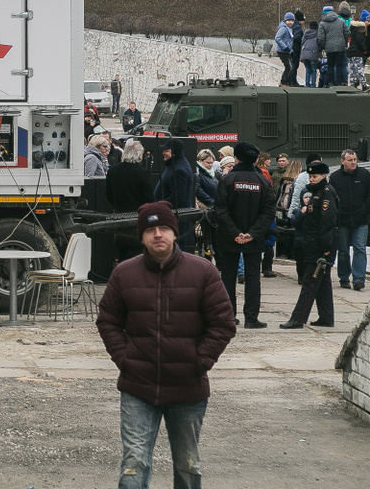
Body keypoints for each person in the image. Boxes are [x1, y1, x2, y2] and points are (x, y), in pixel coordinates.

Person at [96, 201, 236, 489]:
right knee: (134, 465)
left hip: (188, 388)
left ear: (175, 232)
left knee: (188, 466)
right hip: (138, 388)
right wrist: (125, 359)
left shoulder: (202, 272)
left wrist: (199, 362)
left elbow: (223, 324)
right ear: (141, 237)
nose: (157, 234)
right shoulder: (124, 273)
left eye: (163, 228)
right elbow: (107, 321)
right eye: (150, 230)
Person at [212, 142, 275, 328]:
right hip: (254, 237)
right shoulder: (263, 181)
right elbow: (268, 211)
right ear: (256, 160)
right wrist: (252, 233)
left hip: (229, 236)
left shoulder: (227, 180)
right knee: (253, 276)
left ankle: (228, 316)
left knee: (228, 276)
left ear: (236, 158)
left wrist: (234, 232)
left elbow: (220, 210)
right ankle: (251, 317)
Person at [281, 162, 339, 329]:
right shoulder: (316, 192)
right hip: (313, 242)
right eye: (310, 176)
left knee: (310, 282)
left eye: (315, 177)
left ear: (323, 176)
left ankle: (297, 319)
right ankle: (326, 317)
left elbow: (328, 223)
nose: (311, 179)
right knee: (324, 282)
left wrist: (326, 248)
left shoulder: (326, 194)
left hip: (319, 245)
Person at [328, 148, 370, 291]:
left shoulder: (365, 175)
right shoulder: (335, 177)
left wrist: (366, 210)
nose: (353, 162)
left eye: (355, 160)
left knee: (359, 248)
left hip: (361, 219)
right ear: (342, 161)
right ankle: (344, 277)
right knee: (343, 250)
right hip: (342, 219)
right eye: (350, 160)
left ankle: (358, 279)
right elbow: (332, 199)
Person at [154, 139, 196, 252]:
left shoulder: (179, 170)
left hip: (176, 221)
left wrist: (158, 207)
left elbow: (177, 199)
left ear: (174, 152)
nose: (163, 152)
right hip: (173, 219)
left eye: (166, 150)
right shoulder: (174, 165)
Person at [105, 139, 154, 213]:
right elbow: (148, 197)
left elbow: (108, 193)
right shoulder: (142, 172)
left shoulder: (112, 170)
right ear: (139, 155)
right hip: (137, 213)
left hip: (118, 212)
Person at [319, 4, 348, 86]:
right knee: (339, 65)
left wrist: (324, 46)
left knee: (330, 65)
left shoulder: (322, 23)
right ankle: (340, 82)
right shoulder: (341, 21)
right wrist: (344, 43)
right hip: (341, 47)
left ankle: (330, 82)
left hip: (329, 48)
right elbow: (347, 33)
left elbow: (320, 38)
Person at [274, 12, 296, 86]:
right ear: (285, 21)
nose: (291, 22)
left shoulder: (289, 29)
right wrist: (285, 47)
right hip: (282, 51)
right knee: (289, 67)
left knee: (291, 67)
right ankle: (283, 82)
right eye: (289, 21)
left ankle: (287, 82)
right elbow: (277, 38)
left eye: (292, 21)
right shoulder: (283, 28)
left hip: (288, 51)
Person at [300, 20, 321, 88]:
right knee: (313, 70)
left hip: (304, 54)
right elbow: (320, 44)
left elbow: (302, 43)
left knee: (308, 69)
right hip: (313, 53)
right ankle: (312, 85)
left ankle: (307, 84)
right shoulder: (317, 34)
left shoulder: (305, 33)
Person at [352, 12, 369, 90]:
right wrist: (364, 49)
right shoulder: (361, 29)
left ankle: (353, 83)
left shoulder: (354, 28)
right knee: (359, 68)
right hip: (358, 51)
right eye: (368, 21)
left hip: (352, 51)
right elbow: (360, 41)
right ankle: (363, 84)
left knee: (353, 68)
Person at [290, 7, 305, 86]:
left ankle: (290, 80)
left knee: (291, 65)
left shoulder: (292, 25)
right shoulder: (298, 27)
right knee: (295, 65)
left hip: (291, 48)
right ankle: (293, 81)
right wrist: (301, 43)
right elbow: (297, 37)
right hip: (295, 49)